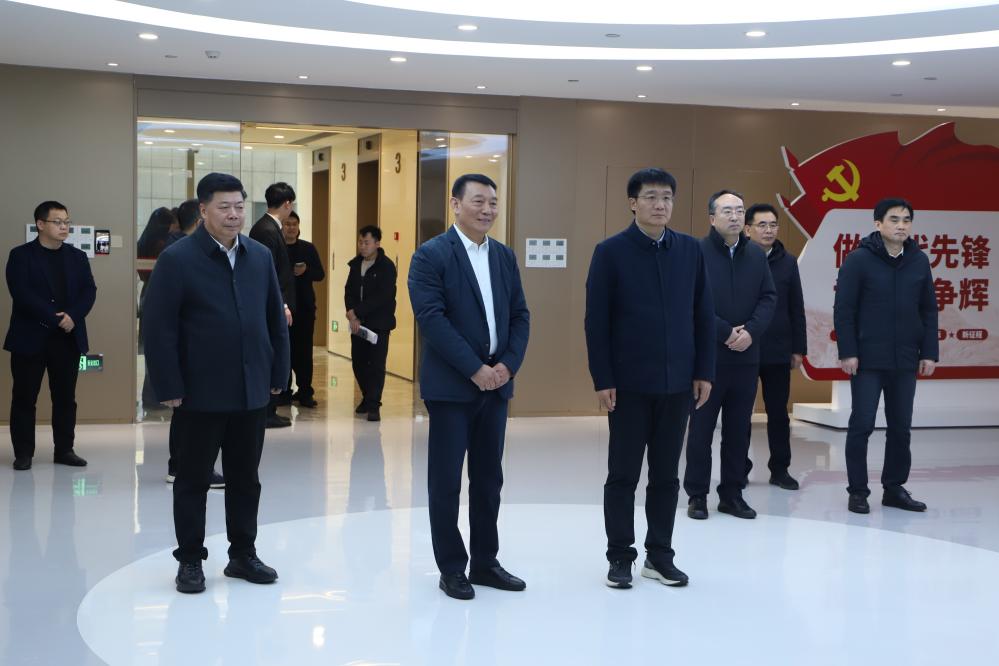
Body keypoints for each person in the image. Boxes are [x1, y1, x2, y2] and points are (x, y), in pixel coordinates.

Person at [143, 173, 290, 594]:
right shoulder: (178, 259)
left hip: (249, 389)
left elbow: (274, 319)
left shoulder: (259, 255)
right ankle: (190, 559)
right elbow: (158, 328)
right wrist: (168, 385)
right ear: (204, 209)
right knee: (193, 481)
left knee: (246, 479)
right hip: (198, 393)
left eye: (239, 206)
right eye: (224, 207)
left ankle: (242, 554)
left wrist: (279, 373)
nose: (234, 214)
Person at [585, 168, 715, 590]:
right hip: (628, 385)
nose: (661, 205)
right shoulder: (610, 252)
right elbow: (596, 322)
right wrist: (602, 377)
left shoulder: (690, 251)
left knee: (666, 476)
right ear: (633, 203)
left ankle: (659, 556)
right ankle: (620, 557)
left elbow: (702, 314)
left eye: (667, 198)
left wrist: (704, 371)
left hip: (677, 384)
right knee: (623, 475)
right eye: (651, 197)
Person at [408, 174, 530, 601]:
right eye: (478, 201)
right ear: (455, 204)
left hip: (496, 387)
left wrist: (507, 365)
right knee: (446, 482)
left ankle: (485, 562)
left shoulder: (504, 256)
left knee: (488, 479)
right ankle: (451, 567)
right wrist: (475, 369)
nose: (487, 209)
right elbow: (432, 319)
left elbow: (520, 315)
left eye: (493, 202)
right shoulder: (431, 255)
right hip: (451, 389)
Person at [834, 198, 938, 514]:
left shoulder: (919, 261)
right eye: (894, 219)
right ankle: (858, 491)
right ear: (878, 224)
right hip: (867, 360)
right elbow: (844, 310)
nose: (901, 225)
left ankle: (894, 489)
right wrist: (848, 352)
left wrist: (929, 352)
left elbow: (929, 309)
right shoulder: (858, 260)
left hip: (905, 359)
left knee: (901, 427)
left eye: (906, 220)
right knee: (862, 424)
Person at [684, 190, 776, 521]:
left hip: (746, 357)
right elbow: (690, 301)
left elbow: (769, 297)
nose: (735, 216)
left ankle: (732, 494)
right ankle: (697, 495)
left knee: (739, 430)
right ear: (712, 218)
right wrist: (725, 332)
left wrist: (751, 332)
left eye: (739, 210)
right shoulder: (696, 252)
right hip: (707, 359)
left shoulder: (756, 255)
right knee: (701, 430)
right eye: (727, 211)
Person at [5, 201, 96, 470]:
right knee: (24, 398)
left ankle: (64, 450)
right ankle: (23, 453)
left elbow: (89, 291)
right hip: (30, 338)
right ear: (41, 224)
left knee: (65, 398)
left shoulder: (77, 257)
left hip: (67, 338)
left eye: (67, 222)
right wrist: (56, 319)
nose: (64, 227)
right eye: (58, 222)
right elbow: (21, 293)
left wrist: (73, 316)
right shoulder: (21, 255)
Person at [743, 204, 807, 490]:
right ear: (748, 229)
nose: (769, 230)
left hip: (778, 349)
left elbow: (796, 307)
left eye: (773, 225)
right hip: (743, 348)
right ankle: (739, 468)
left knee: (778, 413)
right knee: (740, 413)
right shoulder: (738, 257)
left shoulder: (788, 262)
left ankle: (780, 469)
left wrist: (798, 348)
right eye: (762, 225)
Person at [249, 182, 296, 428]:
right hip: (272, 305)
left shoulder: (267, 227)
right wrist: (282, 305)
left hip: (275, 302)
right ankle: (266, 410)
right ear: (287, 204)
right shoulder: (266, 230)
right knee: (272, 354)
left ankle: (270, 409)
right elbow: (269, 273)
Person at [345, 225, 396, 421]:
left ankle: (374, 405)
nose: (363, 246)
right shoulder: (355, 264)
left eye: (367, 243)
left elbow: (382, 296)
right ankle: (367, 397)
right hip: (358, 324)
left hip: (379, 324)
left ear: (377, 243)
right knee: (358, 363)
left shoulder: (386, 266)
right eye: (360, 242)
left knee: (376, 365)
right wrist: (351, 313)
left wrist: (357, 312)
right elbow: (349, 291)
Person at [282, 210, 325, 408]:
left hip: (305, 309)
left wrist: (306, 270)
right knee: (285, 351)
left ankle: (305, 391)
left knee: (304, 352)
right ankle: (284, 391)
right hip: (283, 308)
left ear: (298, 227)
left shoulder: (308, 248)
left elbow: (320, 274)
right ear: (282, 226)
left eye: (294, 224)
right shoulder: (277, 248)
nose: (291, 228)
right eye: (287, 224)